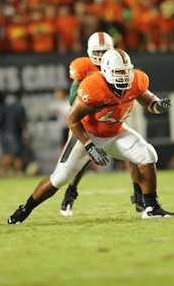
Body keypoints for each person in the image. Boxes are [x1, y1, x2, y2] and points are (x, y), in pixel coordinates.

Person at [7, 49, 174, 224]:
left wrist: (158, 106)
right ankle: (25, 209)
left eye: (127, 71)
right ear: (106, 71)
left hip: (116, 131)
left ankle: (151, 208)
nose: (125, 76)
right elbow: (72, 120)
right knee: (59, 179)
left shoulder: (137, 80)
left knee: (147, 154)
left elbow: (148, 100)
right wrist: (89, 146)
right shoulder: (93, 87)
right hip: (88, 133)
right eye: (119, 72)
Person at [59, 32, 144, 217]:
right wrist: (90, 90)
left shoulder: (118, 62)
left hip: (114, 116)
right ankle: (70, 192)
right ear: (89, 51)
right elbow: (73, 100)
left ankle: (138, 195)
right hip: (88, 120)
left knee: (134, 154)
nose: (100, 55)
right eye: (97, 51)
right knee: (84, 159)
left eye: (104, 51)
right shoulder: (83, 67)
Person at [0, 93, 27, 177]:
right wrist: (26, 133)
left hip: (6, 134)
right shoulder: (19, 107)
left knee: (16, 155)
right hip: (14, 133)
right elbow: (23, 123)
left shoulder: (4, 108)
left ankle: (18, 172)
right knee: (12, 154)